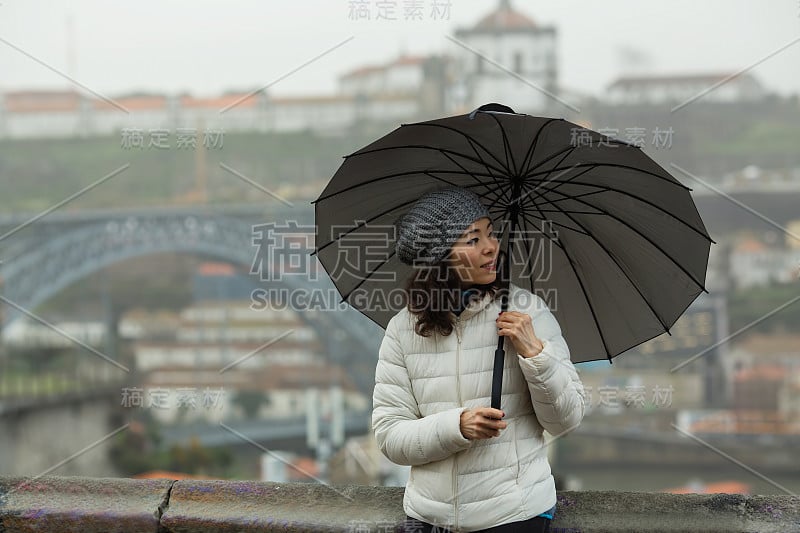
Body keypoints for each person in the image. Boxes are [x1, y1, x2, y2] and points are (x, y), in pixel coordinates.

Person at [372, 186, 586, 532]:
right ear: (439, 258)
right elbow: (390, 436)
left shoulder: (528, 312)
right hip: (429, 519)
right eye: (473, 239)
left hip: (515, 515)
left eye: (490, 233)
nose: (491, 246)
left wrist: (535, 355)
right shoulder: (403, 330)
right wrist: (457, 426)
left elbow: (567, 420)